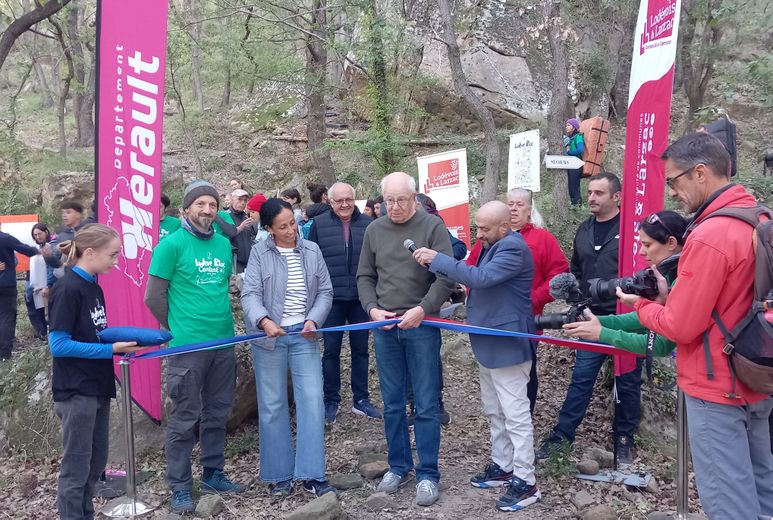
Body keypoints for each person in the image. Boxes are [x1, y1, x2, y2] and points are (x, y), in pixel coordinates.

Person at [622, 132, 773, 519]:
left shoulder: (710, 235)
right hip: (756, 374)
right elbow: (733, 300)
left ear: (701, 173)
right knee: (762, 490)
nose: (672, 191)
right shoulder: (759, 218)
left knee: (729, 503)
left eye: (674, 180)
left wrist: (642, 305)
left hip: (715, 384)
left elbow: (680, 327)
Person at [413, 201, 541, 512]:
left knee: (515, 413)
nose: (479, 234)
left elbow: (480, 278)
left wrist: (439, 260)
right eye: (477, 227)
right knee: (494, 408)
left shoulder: (513, 247)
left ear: (504, 226)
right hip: (488, 338)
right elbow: (473, 272)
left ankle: (526, 480)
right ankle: (503, 464)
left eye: (485, 228)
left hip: (508, 341)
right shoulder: (491, 243)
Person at [145, 180, 246, 513]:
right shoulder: (170, 245)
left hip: (223, 341)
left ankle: (213, 472)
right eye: (200, 204)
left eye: (212, 205)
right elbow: (153, 296)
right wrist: (177, 328)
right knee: (185, 417)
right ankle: (179, 485)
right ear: (186, 209)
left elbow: (220, 288)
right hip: (187, 347)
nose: (207, 210)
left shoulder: (220, 246)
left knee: (217, 411)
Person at [357, 171, 455, 507]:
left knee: (426, 402)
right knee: (392, 402)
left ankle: (428, 473)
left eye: (402, 200)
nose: (395, 207)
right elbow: (365, 276)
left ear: (414, 198)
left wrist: (424, 309)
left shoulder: (431, 227)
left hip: (422, 324)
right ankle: (399, 466)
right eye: (389, 200)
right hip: (385, 326)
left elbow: (446, 275)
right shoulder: (374, 229)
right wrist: (372, 310)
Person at [536, 172, 643, 467]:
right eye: (590, 192)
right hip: (592, 318)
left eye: (599, 193)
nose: (592, 198)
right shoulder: (584, 229)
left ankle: (623, 441)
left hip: (628, 317)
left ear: (616, 197)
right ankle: (561, 438)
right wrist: (577, 300)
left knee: (628, 382)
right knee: (581, 380)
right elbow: (577, 269)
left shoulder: (633, 232)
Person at [241, 198, 337, 498]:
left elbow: (325, 290)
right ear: (268, 228)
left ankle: (311, 474)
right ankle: (279, 473)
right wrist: (264, 320)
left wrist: (314, 319)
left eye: (292, 223)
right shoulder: (259, 253)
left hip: (304, 335)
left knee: (312, 400)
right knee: (272, 405)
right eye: (282, 227)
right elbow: (250, 294)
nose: (291, 230)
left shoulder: (312, 250)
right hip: (270, 337)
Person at [47, 224, 144, 519]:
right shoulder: (67, 288)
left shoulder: (93, 285)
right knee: (76, 468)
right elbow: (59, 345)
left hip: (98, 386)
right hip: (76, 390)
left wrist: (118, 341)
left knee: (95, 464)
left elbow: (93, 333)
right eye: (112, 255)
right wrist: (110, 350)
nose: (115, 261)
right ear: (90, 253)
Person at [467, 188, 569, 413]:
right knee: (494, 372)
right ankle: (502, 423)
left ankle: (524, 419)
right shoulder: (488, 237)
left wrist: (533, 299)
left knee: (524, 373)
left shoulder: (543, 238)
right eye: (510, 203)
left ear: (529, 210)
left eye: (519, 204)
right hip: (490, 319)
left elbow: (559, 275)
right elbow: (470, 269)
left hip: (527, 318)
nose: (514, 208)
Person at [563, 210, 688, 355]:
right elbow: (643, 319)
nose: (641, 252)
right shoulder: (669, 273)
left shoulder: (685, 278)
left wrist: (601, 333)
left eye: (647, 245)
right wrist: (594, 320)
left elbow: (660, 345)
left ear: (671, 242)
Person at [308, 182, 381, 424]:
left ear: (355, 198)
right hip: (331, 299)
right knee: (330, 351)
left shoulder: (369, 225)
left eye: (348, 199)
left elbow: (375, 261)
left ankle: (361, 399)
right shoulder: (318, 225)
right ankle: (331, 399)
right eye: (339, 200)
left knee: (361, 350)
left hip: (361, 298)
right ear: (329, 201)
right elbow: (311, 263)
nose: (345, 204)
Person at [0, 230, 44, 360]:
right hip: (6, 284)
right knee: (6, 317)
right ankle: (4, 354)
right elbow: (25, 249)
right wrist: (39, 251)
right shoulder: (4, 237)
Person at [25, 223, 57, 340]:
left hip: (48, 286)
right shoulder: (37, 247)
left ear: (46, 232)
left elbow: (51, 268)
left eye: (39, 234)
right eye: (35, 235)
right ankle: (43, 333)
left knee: (50, 312)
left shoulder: (51, 246)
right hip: (37, 286)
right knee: (39, 312)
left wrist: (47, 285)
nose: (37, 237)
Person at [227, 189, 257, 273]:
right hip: (233, 261)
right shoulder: (226, 216)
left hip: (250, 262)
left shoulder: (246, 217)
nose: (243, 202)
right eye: (239, 199)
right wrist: (240, 227)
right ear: (232, 200)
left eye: (245, 200)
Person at [564, 118, 585, 206]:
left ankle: (578, 206)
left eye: (569, 125)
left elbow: (580, 150)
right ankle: (574, 206)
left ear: (574, 127)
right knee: (570, 187)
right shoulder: (568, 138)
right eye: (566, 125)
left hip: (576, 165)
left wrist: (569, 152)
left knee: (574, 187)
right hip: (569, 165)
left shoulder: (578, 136)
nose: (566, 127)